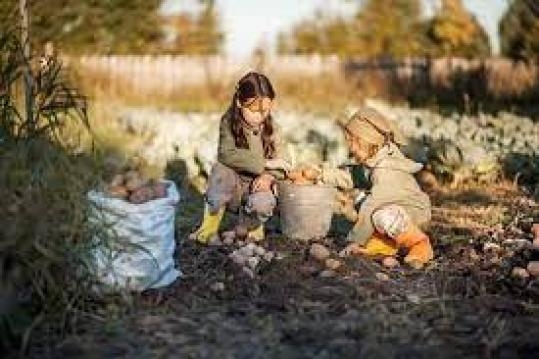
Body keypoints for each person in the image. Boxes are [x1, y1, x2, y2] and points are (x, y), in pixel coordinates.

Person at [191, 72, 290, 243]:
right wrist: (266, 163)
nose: (260, 116)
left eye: (266, 110)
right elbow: (226, 154)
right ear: (239, 103)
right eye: (254, 110)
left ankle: (253, 228)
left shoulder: (273, 128)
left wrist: (269, 175)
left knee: (263, 202)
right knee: (221, 171)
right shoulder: (228, 123)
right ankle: (208, 227)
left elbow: (285, 163)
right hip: (233, 185)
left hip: (257, 188)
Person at [339, 107, 434, 268]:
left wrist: (355, 241)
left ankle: (420, 245)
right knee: (364, 202)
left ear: (371, 141)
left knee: (380, 214)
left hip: (413, 213)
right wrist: (320, 174)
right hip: (395, 209)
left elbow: (372, 206)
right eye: (349, 142)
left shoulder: (386, 170)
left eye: (355, 141)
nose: (352, 148)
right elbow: (352, 177)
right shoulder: (374, 158)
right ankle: (384, 246)